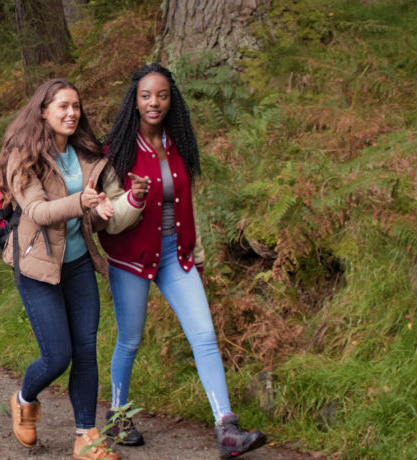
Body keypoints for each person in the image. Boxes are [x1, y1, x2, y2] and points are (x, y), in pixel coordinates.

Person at [97, 63, 266, 459]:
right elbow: (110, 223)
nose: (154, 102)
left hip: (177, 255)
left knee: (204, 336)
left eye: (161, 95)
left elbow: (187, 206)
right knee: (130, 340)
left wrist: (197, 256)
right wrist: (134, 198)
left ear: (171, 100)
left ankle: (226, 427)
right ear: (134, 101)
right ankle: (118, 415)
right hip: (131, 259)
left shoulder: (178, 144)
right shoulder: (116, 150)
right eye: (146, 95)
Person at [0, 78, 120, 460]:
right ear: (43, 111)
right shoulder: (23, 155)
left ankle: (86, 436)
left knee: (85, 351)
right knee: (56, 356)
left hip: (79, 263)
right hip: (37, 267)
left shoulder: (86, 154)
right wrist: (81, 200)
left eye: (76, 107)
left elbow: (89, 217)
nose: (71, 113)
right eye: (63, 106)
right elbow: (38, 211)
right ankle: (23, 398)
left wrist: (100, 209)